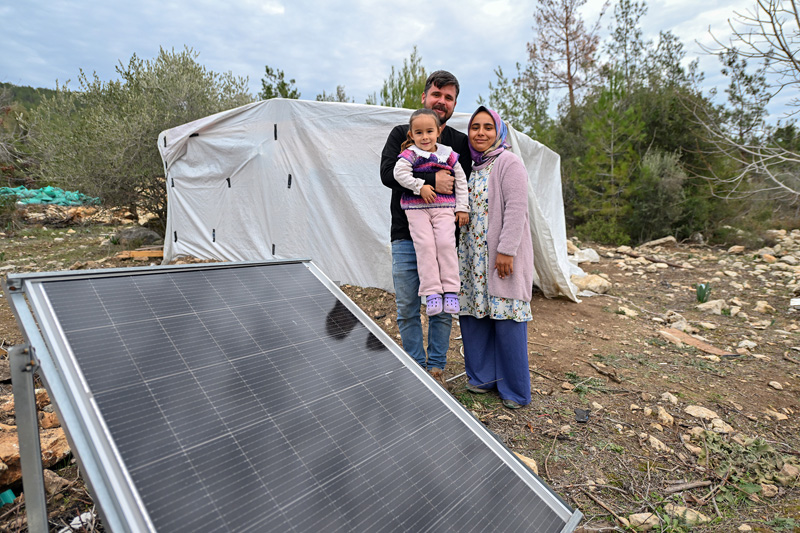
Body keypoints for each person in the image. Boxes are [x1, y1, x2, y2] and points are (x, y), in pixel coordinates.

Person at [380, 71, 472, 382]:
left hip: (445, 234)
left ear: (454, 104)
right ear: (424, 97)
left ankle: (436, 367)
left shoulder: (459, 142)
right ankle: (414, 368)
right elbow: (387, 174)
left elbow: (461, 183)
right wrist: (431, 180)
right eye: (436, 94)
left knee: (443, 305)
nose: (441, 101)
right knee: (407, 306)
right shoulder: (401, 134)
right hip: (406, 235)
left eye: (448, 97)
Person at [458, 106, 534, 409]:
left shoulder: (508, 162)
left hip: (499, 258)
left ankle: (515, 390)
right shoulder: (472, 167)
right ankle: (482, 378)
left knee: (507, 319)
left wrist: (506, 250)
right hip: (472, 258)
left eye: (488, 127)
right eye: (475, 127)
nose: (480, 133)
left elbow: (517, 208)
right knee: (475, 316)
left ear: (498, 131)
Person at [393, 108, 468, 317]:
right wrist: (420, 186)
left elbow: (461, 181)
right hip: (416, 209)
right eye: (419, 133)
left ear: (438, 132)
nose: (424, 137)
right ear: (411, 135)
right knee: (425, 246)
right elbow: (398, 173)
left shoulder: (448, 154)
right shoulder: (410, 154)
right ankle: (432, 292)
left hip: (444, 207)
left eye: (429, 131)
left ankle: (451, 290)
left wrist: (462, 207)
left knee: (445, 243)